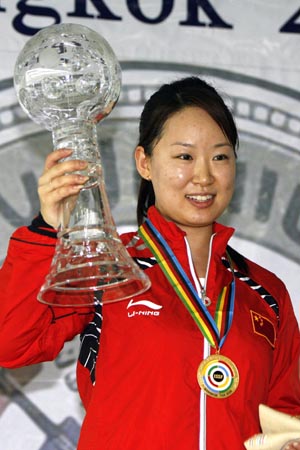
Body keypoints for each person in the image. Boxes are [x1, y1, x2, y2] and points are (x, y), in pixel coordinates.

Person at [0, 76, 299, 450]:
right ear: (145, 162)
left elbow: (285, 415)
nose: (204, 176)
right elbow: (11, 342)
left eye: (220, 156)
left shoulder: (267, 293)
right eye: (184, 156)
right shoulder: (108, 265)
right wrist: (46, 230)